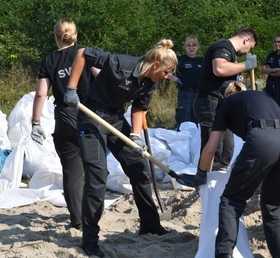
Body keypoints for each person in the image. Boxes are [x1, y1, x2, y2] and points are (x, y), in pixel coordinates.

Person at [65, 39, 177, 257]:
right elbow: (82, 53)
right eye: (166, 72)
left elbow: (138, 108)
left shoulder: (150, 83)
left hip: (115, 119)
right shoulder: (119, 63)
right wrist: (71, 88)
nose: (167, 77)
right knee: (97, 177)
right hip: (91, 116)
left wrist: (135, 137)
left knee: (138, 167)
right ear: (156, 65)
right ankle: (90, 240)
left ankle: (150, 224)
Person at [193, 80, 280, 258]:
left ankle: (224, 254)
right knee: (272, 208)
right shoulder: (262, 96)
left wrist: (200, 173)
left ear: (221, 96)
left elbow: (211, 148)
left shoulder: (226, 104)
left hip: (261, 140)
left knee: (231, 200)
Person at [31, 18, 98, 230]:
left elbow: (41, 93)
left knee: (72, 171)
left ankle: (77, 220)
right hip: (89, 115)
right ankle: (92, 217)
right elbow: (102, 77)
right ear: (75, 35)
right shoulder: (86, 54)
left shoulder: (50, 60)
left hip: (64, 117)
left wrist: (35, 122)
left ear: (56, 37)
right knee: (95, 168)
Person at [193, 27, 258, 171]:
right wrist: (245, 65)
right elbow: (219, 69)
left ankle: (220, 175)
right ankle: (206, 180)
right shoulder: (223, 46)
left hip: (223, 103)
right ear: (246, 40)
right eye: (250, 47)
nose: (247, 51)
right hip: (210, 101)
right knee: (214, 145)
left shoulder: (231, 53)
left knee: (226, 147)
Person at [167, 35, 203, 128]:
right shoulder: (180, 60)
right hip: (185, 94)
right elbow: (165, 71)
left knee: (197, 122)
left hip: (199, 95)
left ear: (198, 47)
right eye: (189, 45)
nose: (191, 48)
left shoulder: (202, 61)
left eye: (194, 45)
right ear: (185, 47)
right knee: (184, 121)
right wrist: (176, 80)